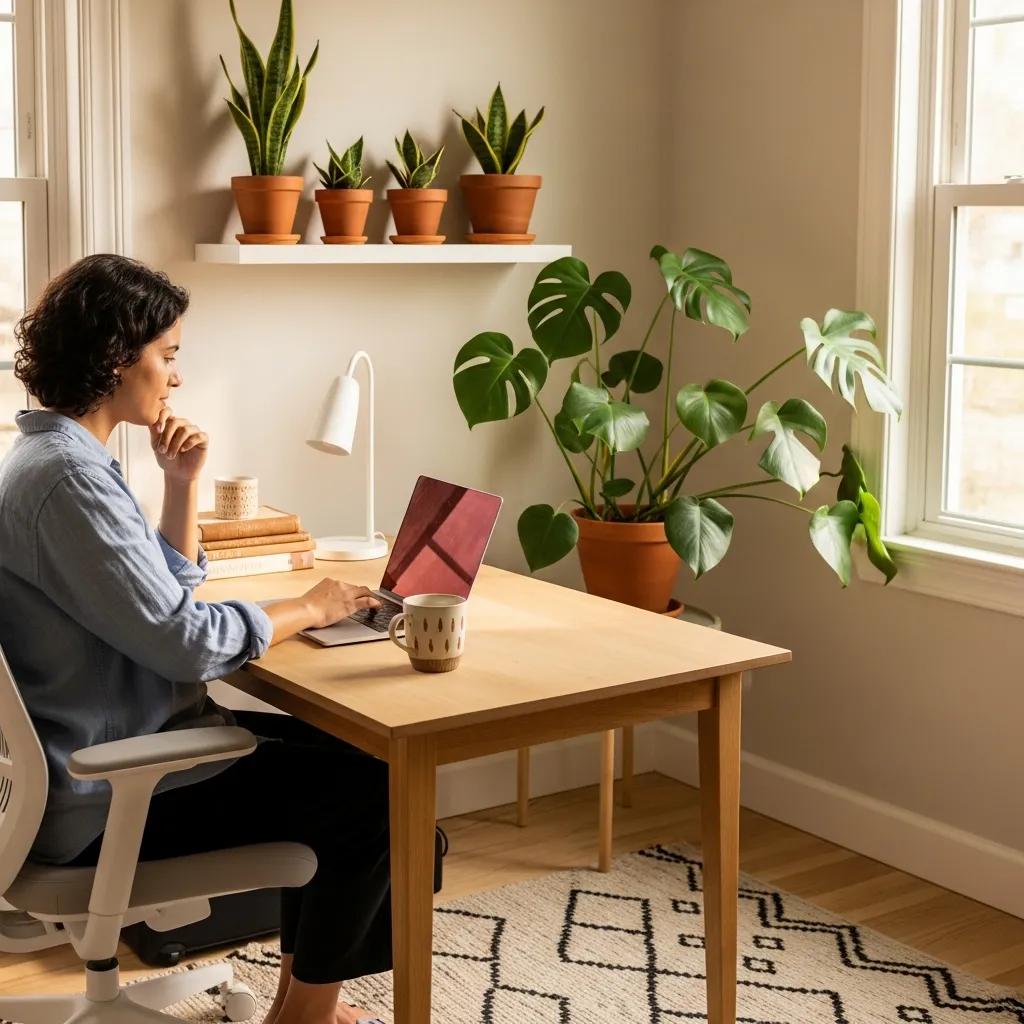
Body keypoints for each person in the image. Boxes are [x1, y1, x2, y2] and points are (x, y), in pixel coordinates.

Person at [0, 254, 391, 1024]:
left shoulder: (52, 461)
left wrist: (180, 485)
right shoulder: (69, 481)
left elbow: (159, 600)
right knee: (376, 790)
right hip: (111, 798)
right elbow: (185, 643)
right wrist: (310, 608)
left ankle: (300, 1000)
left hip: (88, 771)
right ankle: (304, 1018)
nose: (174, 377)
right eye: (168, 355)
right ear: (118, 356)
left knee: (357, 757)